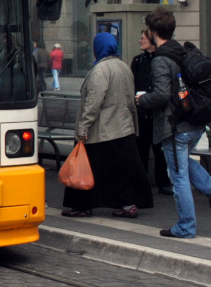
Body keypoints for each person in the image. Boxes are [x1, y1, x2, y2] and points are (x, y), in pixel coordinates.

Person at [137, 8, 211, 239]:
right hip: (193, 123)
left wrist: (142, 99)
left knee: (178, 176)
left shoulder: (161, 60)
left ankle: (185, 227)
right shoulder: (182, 51)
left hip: (174, 126)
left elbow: (162, 95)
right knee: (181, 163)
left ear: (154, 32)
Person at [62, 32, 153, 218]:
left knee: (85, 168)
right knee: (120, 171)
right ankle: (127, 204)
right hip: (122, 128)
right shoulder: (123, 66)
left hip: (101, 130)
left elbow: (93, 103)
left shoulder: (100, 70)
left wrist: (83, 127)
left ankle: (81, 205)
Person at [130, 29, 171, 194]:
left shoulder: (161, 60)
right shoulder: (138, 61)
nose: (140, 40)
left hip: (157, 112)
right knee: (141, 149)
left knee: (159, 149)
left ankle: (163, 181)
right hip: (141, 112)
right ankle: (142, 182)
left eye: (143, 38)